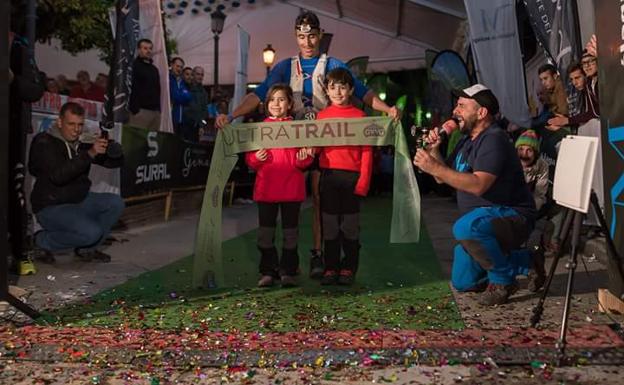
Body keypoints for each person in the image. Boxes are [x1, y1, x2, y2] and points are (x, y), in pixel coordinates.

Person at [215, 11, 399, 279]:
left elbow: (361, 90)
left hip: (322, 140)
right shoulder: (285, 66)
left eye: (312, 36)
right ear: (296, 37)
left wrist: (388, 109)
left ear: (320, 35)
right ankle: (290, 261)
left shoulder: (333, 63)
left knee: (319, 196)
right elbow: (258, 95)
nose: (307, 42)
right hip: (293, 140)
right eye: (302, 37)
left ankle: (318, 253)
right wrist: (231, 116)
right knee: (289, 197)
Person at [413, 84, 536, 306]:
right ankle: (525, 260)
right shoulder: (465, 141)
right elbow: (444, 177)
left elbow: (479, 185)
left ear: (481, 112)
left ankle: (503, 280)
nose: (454, 111)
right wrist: (434, 152)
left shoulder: (494, 139)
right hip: (482, 222)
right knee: (463, 282)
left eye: (461, 106)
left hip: (512, 217)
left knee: (465, 228)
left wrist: (434, 167)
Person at [28, 102, 125, 263]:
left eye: (80, 125)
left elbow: (112, 163)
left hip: (77, 200)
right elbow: (58, 176)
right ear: (59, 122)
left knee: (115, 203)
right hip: (51, 206)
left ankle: (87, 249)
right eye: (71, 124)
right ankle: (41, 240)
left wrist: (114, 151)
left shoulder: (80, 143)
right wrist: (91, 153)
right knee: (91, 232)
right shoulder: (44, 142)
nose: (76, 129)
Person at [245, 84, 313, 287]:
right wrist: (256, 158)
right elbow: (250, 159)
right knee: (265, 235)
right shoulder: (259, 129)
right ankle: (268, 271)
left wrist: (303, 160)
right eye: (273, 99)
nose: (276, 104)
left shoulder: (298, 129)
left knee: (290, 235)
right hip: (266, 190)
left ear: (290, 103)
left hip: (292, 190)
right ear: (267, 104)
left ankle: (288, 271)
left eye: (281, 99)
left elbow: (306, 157)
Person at [316, 68, 372, 286]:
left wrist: (363, 182)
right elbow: (316, 149)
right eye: (332, 87)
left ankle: (348, 267)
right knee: (329, 226)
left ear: (350, 90)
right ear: (327, 92)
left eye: (342, 87)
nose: (337, 91)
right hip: (328, 177)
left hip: (352, 178)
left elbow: (367, 151)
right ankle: (330, 267)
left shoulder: (360, 117)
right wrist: (308, 150)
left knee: (349, 226)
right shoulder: (321, 117)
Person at [515, 130, 549, 292]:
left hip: (534, 211)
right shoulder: (511, 164)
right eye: (521, 149)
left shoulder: (541, 165)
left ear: (535, 152)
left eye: (529, 150)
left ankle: (538, 272)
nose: (524, 154)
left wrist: (528, 212)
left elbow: (540, 194)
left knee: (534, 242)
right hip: (513, 208)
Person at [128, 38, 161, 131]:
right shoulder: (134, 66)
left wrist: (158, 110)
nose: (148, 51)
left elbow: (157, 90)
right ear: (139, 50)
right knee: (136, 141)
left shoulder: (154, 69)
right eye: (145, 48)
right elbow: (132, 87)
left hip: (155, 113)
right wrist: (135, 110)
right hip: (140, 112)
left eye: (150, 48)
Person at [182, 66, 209, 142]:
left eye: (202, 75)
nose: (200, 77)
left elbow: (204, 112)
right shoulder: (185, 88)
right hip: (184, 125)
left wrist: (202, 126)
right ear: (193, 75)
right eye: (198, 74)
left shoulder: (204, 92)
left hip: (196, 127)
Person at [169, 57, 192, 136]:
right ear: (172, 65)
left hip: (183, 122)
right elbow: (174, 97)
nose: (179, 68)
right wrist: (182, 96)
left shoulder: (183, 82)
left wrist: (179, 96)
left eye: (181, 67)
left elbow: (189, 98)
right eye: (177, 66)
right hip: (171, 120)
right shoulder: (167, 79)